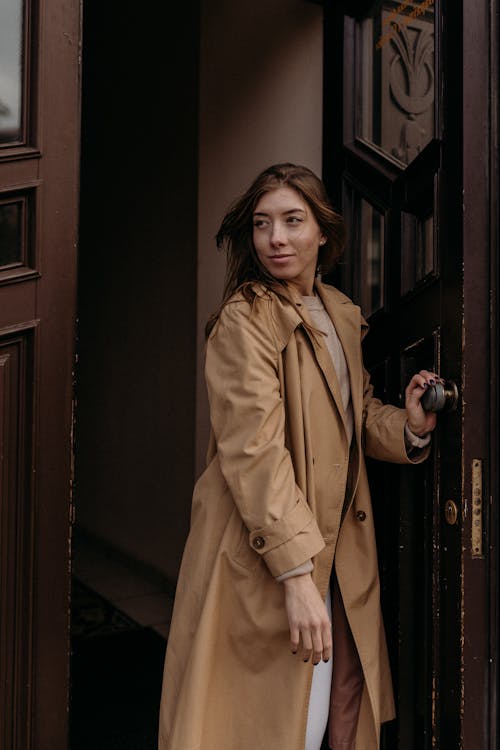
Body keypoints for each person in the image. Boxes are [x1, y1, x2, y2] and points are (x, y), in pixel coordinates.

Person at [158, 163, 437, 750]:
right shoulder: (245, 319)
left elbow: (355, 416)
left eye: (291, 221)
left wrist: (408, 427)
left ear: (322, 233)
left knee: (324, 710)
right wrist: (296, 576)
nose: (276, 238)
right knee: (266, 722)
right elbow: (253, 452)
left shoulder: (338, 312)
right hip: (266, 554)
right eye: (262, 225)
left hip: (334, 551)